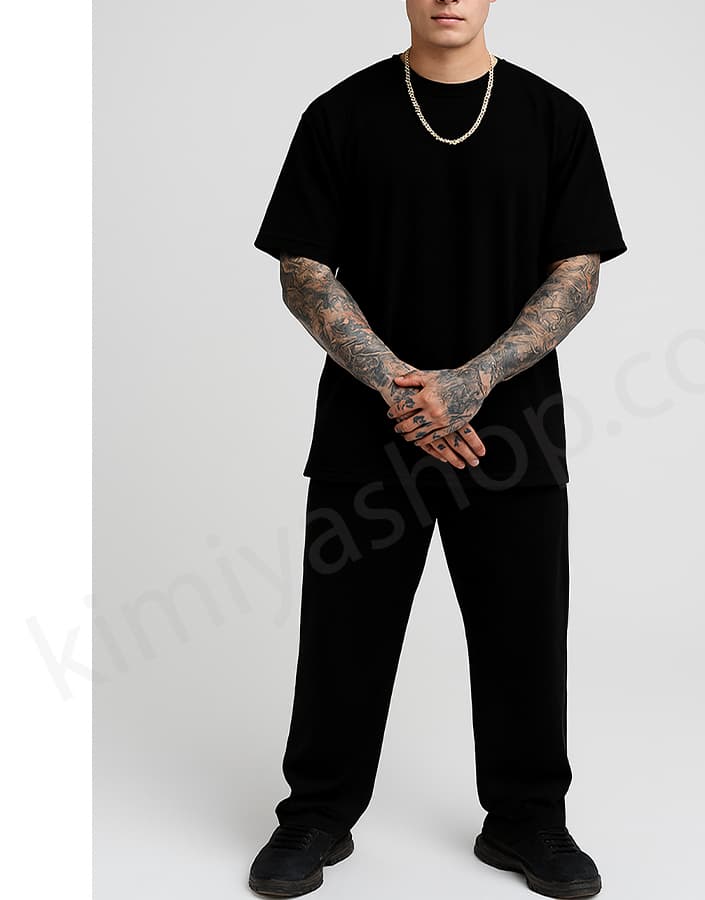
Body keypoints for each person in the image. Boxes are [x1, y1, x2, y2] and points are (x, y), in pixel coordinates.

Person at [248, 1, 627, 897]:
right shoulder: (339, 115)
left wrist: (474, 380)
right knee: (343, 635)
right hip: (366, 432)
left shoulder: (554, 118)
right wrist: (397, 385)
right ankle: (315, 817)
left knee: (523, 635)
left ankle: (528, 821)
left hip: (512, 432)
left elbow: (577, 274)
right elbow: (302, 270)